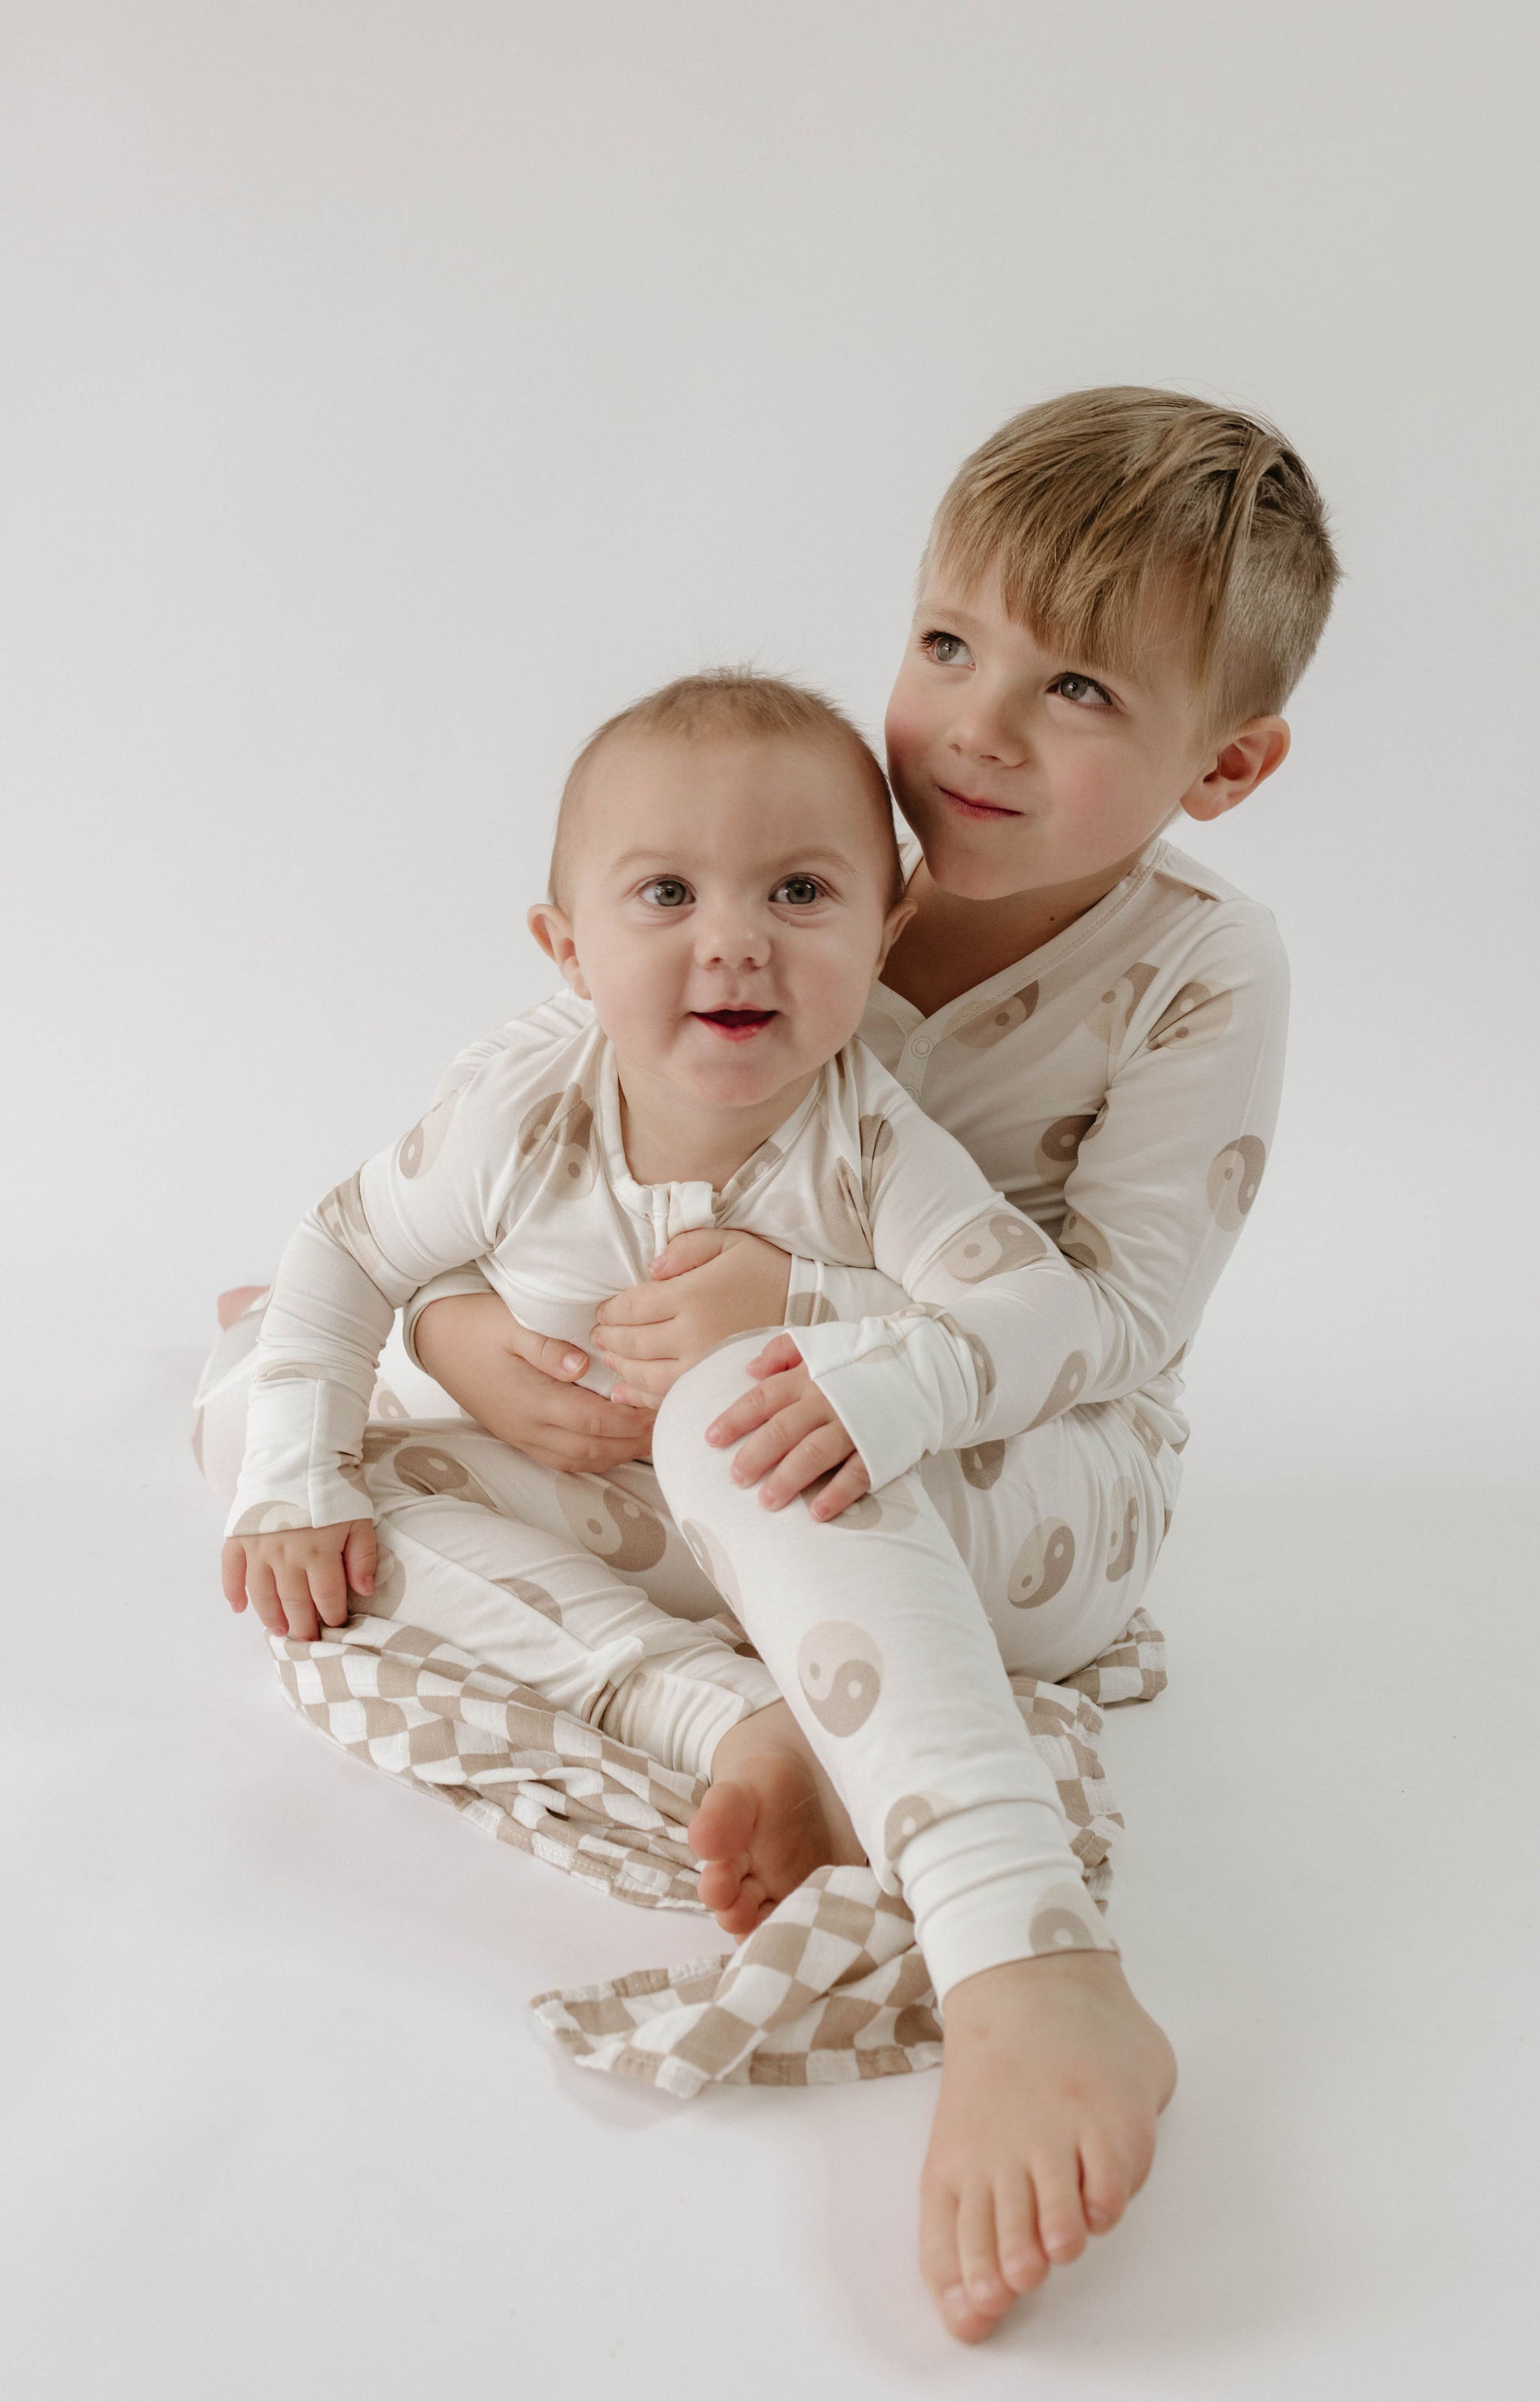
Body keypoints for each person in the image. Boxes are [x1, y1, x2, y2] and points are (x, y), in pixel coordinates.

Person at [204, 384, 1339, 2343]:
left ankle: (1022, 1957)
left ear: (1222, 764)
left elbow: (1118, 1318)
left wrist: (804, 1338)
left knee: (748, 1420)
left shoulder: (1198, 968)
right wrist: (468, 1343)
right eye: (947, 643)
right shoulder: (808, 847)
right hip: (732, 1455)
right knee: (290, 1425)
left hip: (1039, 1467)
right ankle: (750, 1719)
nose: (977, 723)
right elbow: (560, 1124)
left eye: (1078, 690)